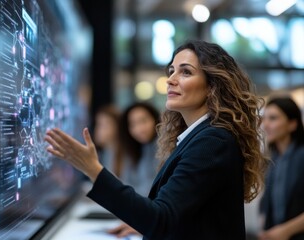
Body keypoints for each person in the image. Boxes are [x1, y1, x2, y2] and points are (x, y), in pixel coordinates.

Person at [44, 39, 268, 240]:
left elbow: (160, 220)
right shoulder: (200, 137)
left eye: (185, 72)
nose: (170, 79)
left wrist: (94, 170)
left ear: (212, 86)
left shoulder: (213, 142)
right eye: (171, 71)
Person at [259, 96, 304, 240]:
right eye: (265, 118)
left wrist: (285, 231)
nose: (265, 125)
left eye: (273, 118)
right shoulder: (274, 158)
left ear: (292, 124)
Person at [120, 102, 160, 196]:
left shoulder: (165, 148)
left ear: (155, 119)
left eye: (143, 121)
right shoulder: (135, 149)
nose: (139, 129)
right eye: (133, 124)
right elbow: (125, 183)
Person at [93, 104, 123, 177]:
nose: (98, 130)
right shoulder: (106, 152)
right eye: (98, 124)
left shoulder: (125, 156)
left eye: (104, 125)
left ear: (117, 127)